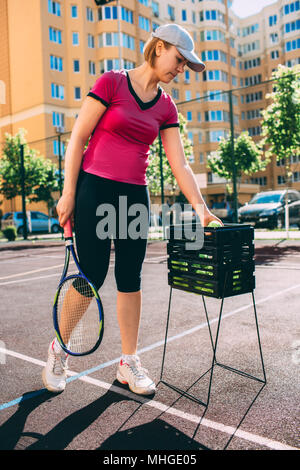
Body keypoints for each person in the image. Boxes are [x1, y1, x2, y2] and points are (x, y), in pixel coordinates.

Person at [42, 24, 222, 396]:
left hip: (133, 197)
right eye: (179, 59)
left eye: (186, 65)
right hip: (94, 189)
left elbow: (181, 164)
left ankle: (128, 362)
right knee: (90, 275)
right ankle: (60, 350)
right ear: (159, 47)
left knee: (130, 278)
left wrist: (202, 210)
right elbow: (77, 139)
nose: (181, 69)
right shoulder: (111, 82)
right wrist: (68, 193)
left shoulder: (166, 105)